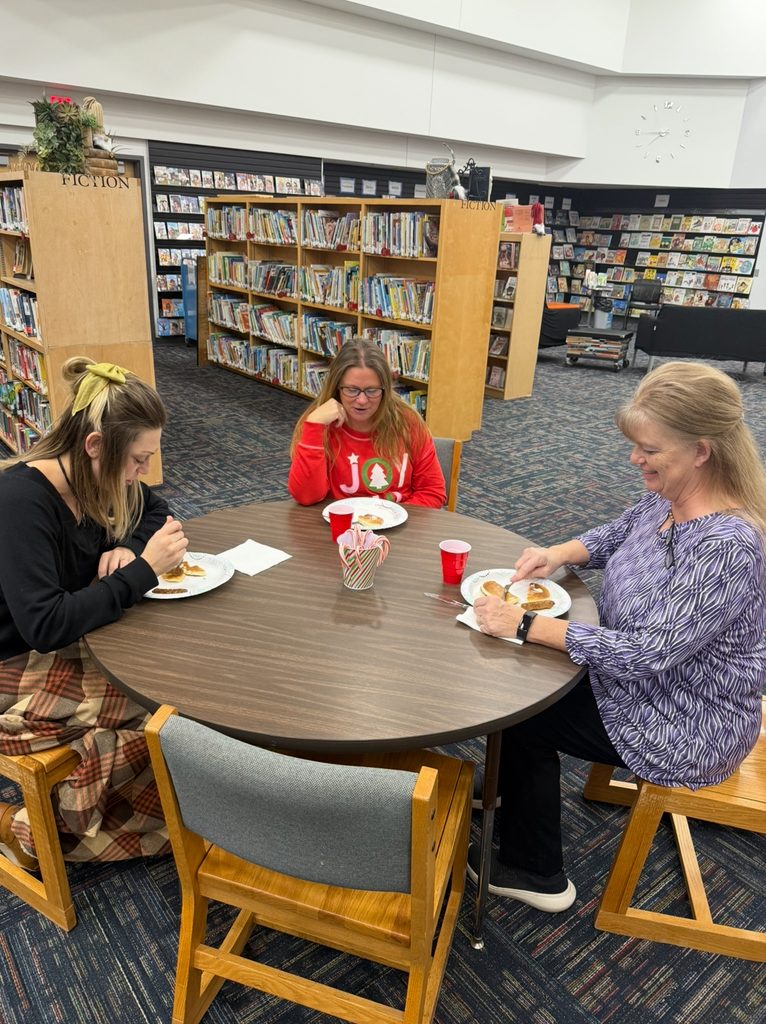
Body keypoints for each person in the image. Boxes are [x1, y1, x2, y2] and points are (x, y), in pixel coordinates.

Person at [468, 362, 766, 912]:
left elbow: (648, 653)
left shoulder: (727, 547)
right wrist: (559, 554)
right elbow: (619, 531)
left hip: (688, 720)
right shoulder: (673, 497)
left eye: (649, 449)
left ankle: (534, 872)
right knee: (524, 676)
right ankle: (507, 794)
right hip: (646, 682)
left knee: (523, 709)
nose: (635, 459)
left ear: (701, 450)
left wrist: (529, 625)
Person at [0, 359, 188, 868]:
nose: (142, 472)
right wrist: (140, 574)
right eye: (137, 459)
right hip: (2, 667)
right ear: (95, 446)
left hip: (68, 641)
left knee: (172, 694)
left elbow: (154, 510)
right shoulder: (19, 506)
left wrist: (131, 549)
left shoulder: (94, 480)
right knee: (165, 712)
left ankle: (43, 822)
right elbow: (45, 625)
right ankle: (34, 833)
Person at [288, 339, 446, 507]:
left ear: (385, 389)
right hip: (339, 526)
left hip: (399, 525)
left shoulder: (408, 422)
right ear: (337, 387)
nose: (362, 400)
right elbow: (306, 497)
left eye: (372, 391)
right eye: (352, 390)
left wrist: (395, 518)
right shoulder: (318, 424)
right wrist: (314, 427)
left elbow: (432, 491)